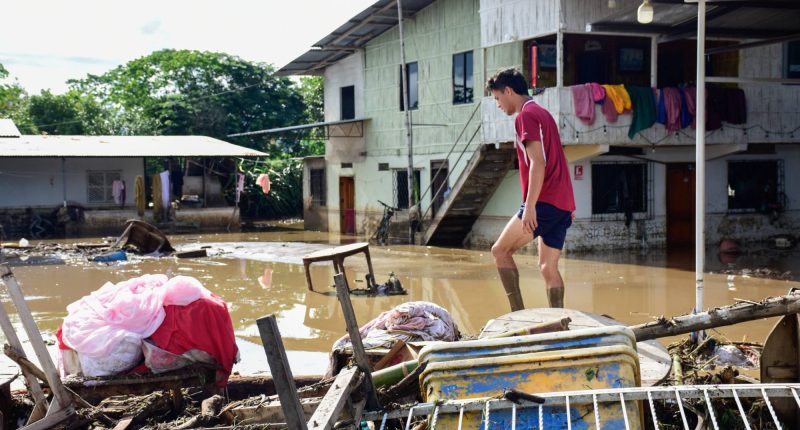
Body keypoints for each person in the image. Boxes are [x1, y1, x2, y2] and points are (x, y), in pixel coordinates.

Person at [486, 68, 575, 310]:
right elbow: (559, 158)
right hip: (561, 203)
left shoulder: (524, 116)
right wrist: (570, 204)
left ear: (508, 91)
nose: (497, 104)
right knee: (548, 267)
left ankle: (517, 316)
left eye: (496, 98)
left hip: (544, 202)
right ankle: (558, 320)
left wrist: (531, 207)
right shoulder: (543, 113)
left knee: (500, 251)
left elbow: (538, 162)